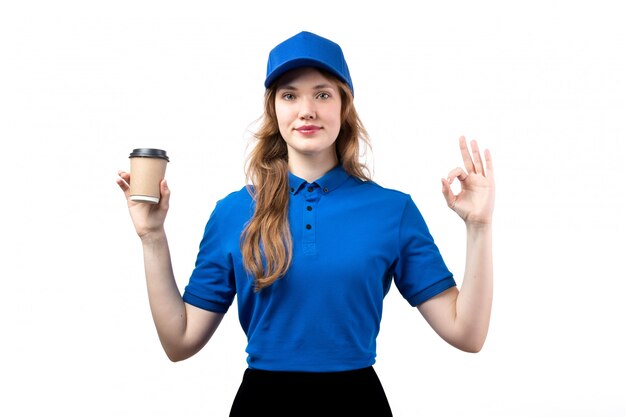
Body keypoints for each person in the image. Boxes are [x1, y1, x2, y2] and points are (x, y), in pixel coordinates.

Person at [116, 30, 495, 416]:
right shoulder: (233, 212)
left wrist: (478, 227)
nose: (307, 109)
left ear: (344, 105)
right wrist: (152, 237)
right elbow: (180, 341)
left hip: (357, 403)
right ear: (274, 109)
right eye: (290, 95)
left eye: (322, 94)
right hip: (262, 405)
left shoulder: (391, 210)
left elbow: (467, 333)